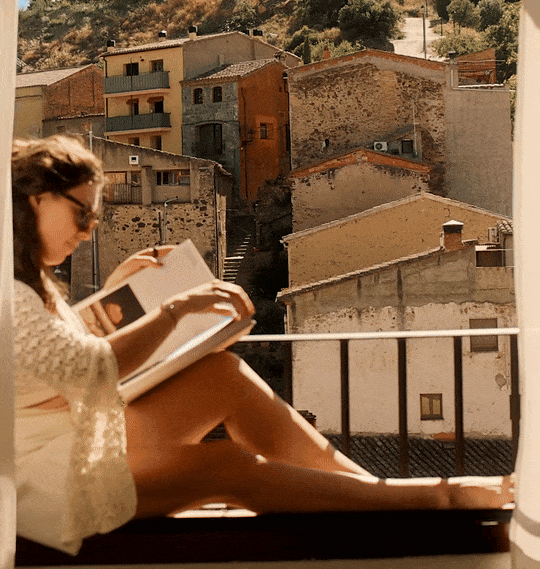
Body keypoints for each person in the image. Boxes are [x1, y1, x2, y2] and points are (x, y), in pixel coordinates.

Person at [12, 135, 513, 555]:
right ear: (37, 199)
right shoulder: (11, 291)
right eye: (83, 215)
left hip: (68, 440)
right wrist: (174, 311)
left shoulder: (28, 281)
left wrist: (118, 290)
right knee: (225, 467)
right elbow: (81, 371)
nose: (89, 230)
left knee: (219, 375)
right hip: (48, 484)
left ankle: (371, 493)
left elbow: (45, 360)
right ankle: (431, 502)